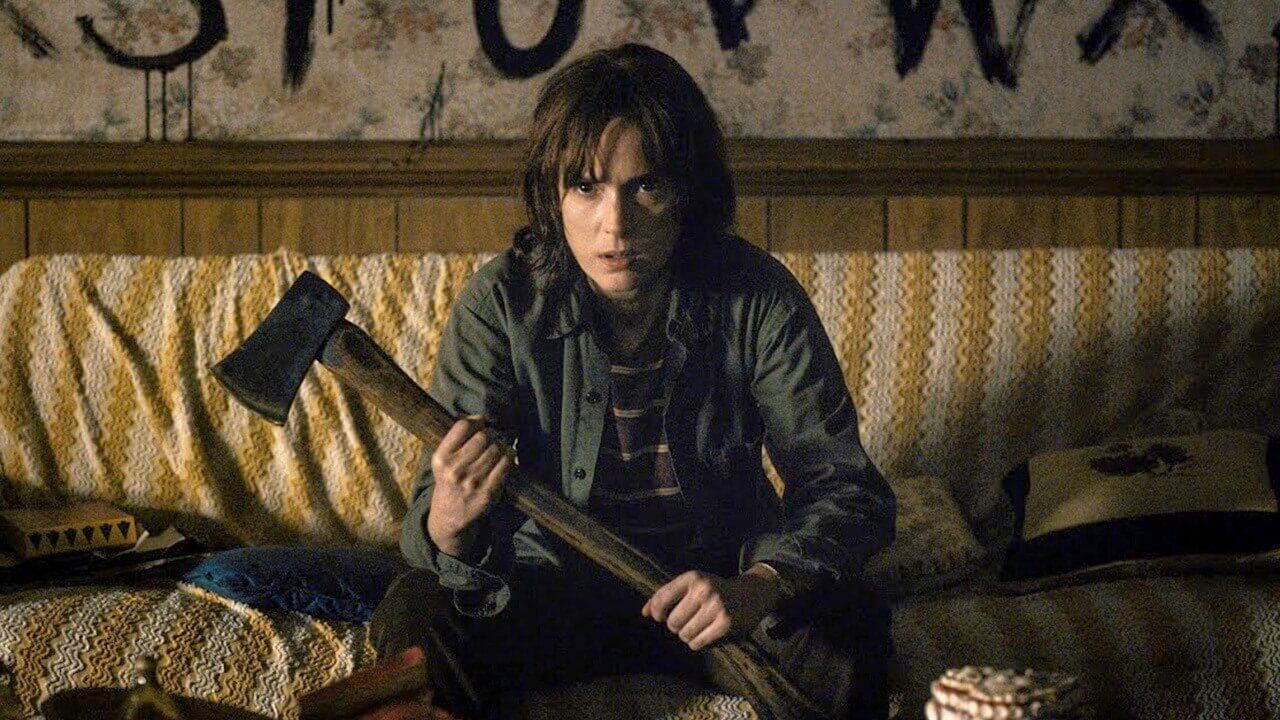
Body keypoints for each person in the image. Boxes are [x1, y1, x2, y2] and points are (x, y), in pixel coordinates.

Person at [370, 43, 896, 720]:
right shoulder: (501, 304)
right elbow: (429, 540)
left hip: (714, 596)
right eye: (586, 187)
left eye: (646, 186)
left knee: (851, 624)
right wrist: (449, 518)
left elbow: (846, 488)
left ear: (688, 193)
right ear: (552, 195)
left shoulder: (757, 295)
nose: (615, 225)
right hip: (550, 593)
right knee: (415, 612)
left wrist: (759, 586)